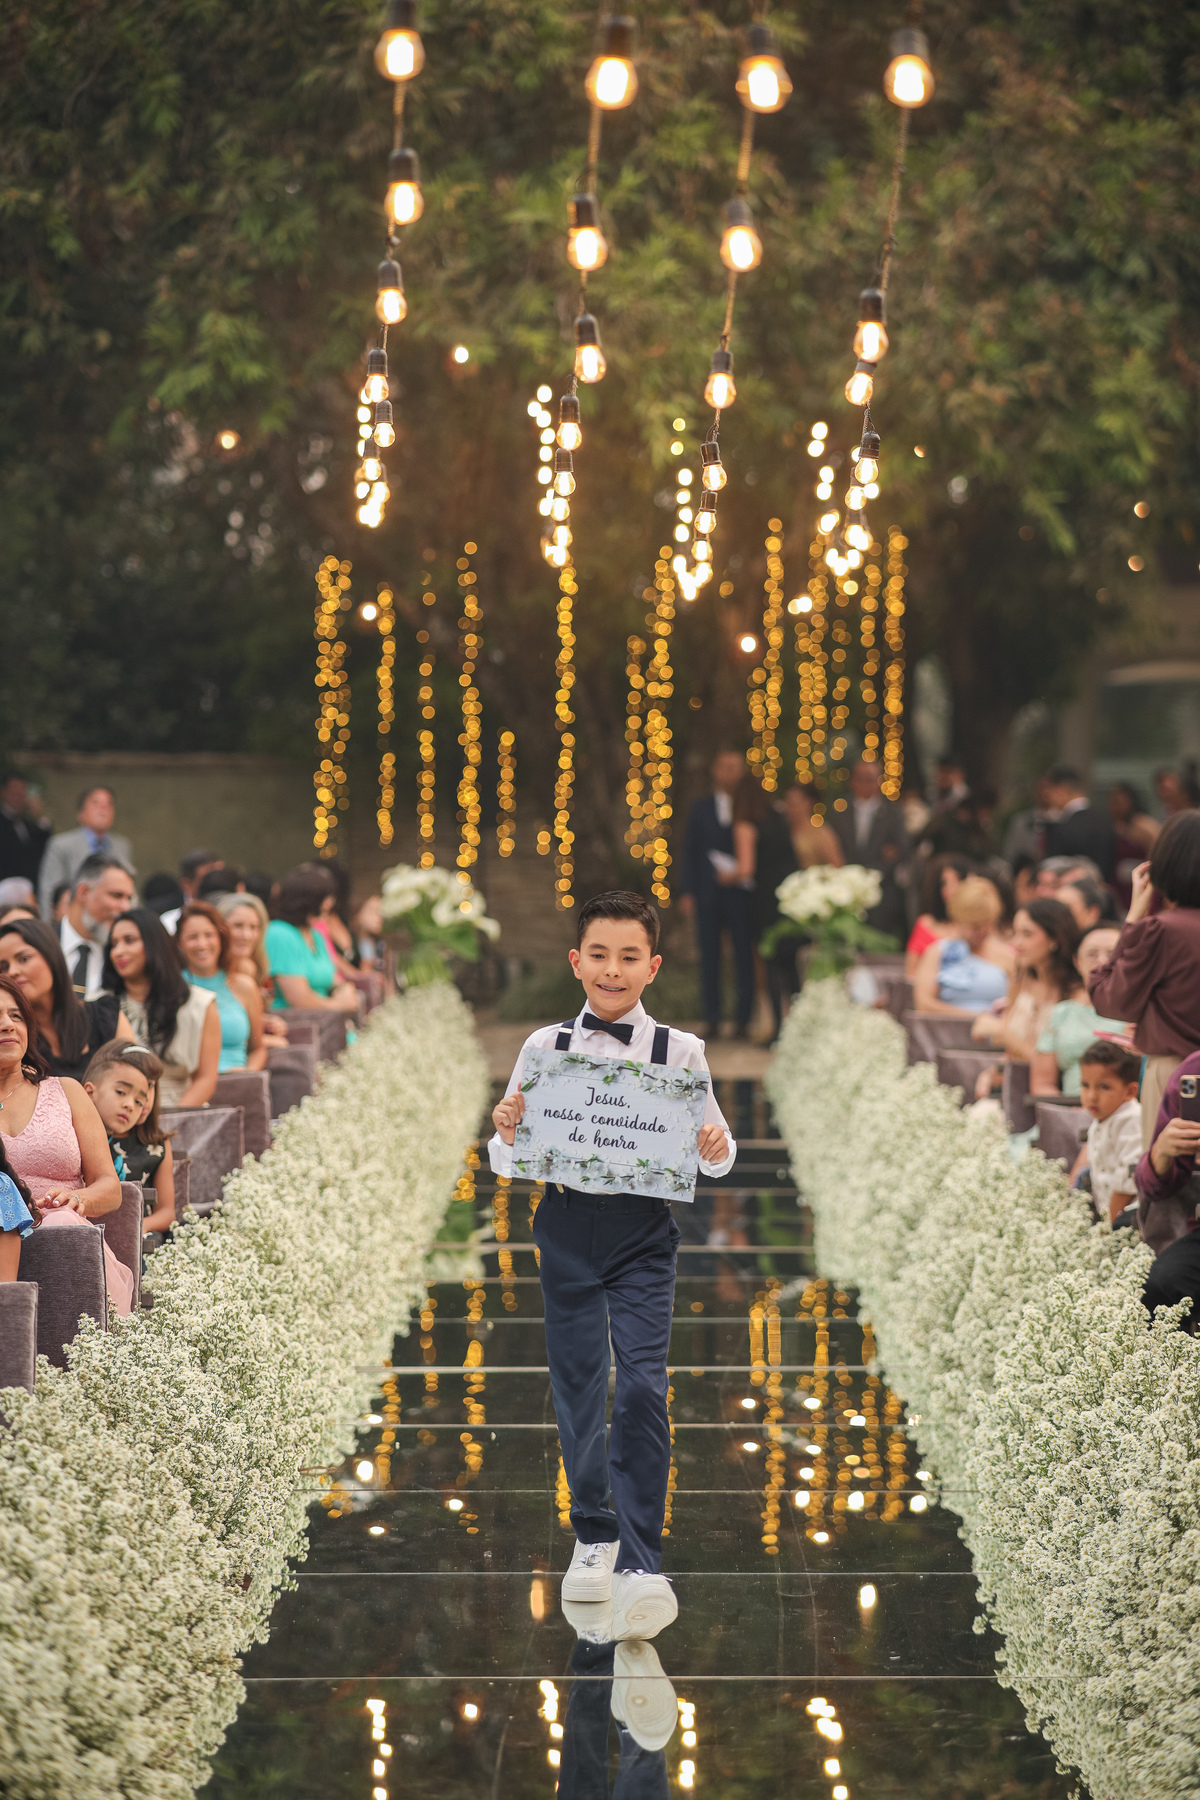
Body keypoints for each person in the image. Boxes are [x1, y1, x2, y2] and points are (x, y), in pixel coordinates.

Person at [489, 891, 734, 1633]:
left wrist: (716, 1147)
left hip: (641, 1233)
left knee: (644, 1386)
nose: (613, 969)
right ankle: (593, 1533)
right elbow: (507, 1157)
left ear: (652, 966)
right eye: (599, 954)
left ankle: (641, 1560)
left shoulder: (681, 1053)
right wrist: (505, 1132)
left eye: (629, 957)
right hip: (565, 1225)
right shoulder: (545, 1047)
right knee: (577, 1386)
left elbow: (714, 1153)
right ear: (576, 961)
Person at [0, 974, 132, 1315]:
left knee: (60, 1224)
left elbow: (110, 1187)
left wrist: (78, 1199)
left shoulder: (66, 1091)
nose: (7, 1025)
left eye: (16, 1016)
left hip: (66, 1237)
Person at [1089, 811, 1200, 1144]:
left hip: (1177, 1075)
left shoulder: (1164, 931)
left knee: (1167, 1171)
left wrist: (1134, 919)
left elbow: (1110, 998)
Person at [103, 907, 220, 1107]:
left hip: (181, 1110)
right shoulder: (101, 1004)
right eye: (114, 944)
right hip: (117, 1113)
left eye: (129, 940)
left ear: (154, 943)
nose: (118, 951)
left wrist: (168, 1121)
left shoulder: (199, 1003)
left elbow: (205, 1079)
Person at [678, 751, 755, 1039]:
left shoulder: (750, 807)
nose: (729, 773)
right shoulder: (701, 808)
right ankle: (712, 1018)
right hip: (707, 893)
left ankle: (743, 1020)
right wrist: (687, 891)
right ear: (715, 770)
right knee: (709, 957)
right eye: (724, 767)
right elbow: (690, 851)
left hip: (741, 895)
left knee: (744, 956)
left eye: (734, 767)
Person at [0, 916, 134, 1079]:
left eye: (24, 959)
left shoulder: (106, 1016)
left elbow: (139, 1079)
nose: (12, 972)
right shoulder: (10, 1036)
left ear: (52, 957)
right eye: (3, 967)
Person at [82, 1041, 175, 1243]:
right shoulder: (82, 1135)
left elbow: (167, 1211)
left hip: (139, 1235)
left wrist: (141, 1226)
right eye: (122, 1091)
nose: (132, 1103)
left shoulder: (157, 1145)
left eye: (150, 1086)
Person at [731, 777, 799, 1042]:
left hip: (766, 900)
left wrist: (724, 876)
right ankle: (798, 1027)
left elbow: (746, 869)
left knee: (771, 964)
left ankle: (779, 1030)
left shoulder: (746, 825)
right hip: (791, 897)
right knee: (791, 964)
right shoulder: (780, 818)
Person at [972, 898, 1081, 1063]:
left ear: (1055, 938)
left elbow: (1055, 1065)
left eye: (1027, 934)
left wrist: (1002, 1032)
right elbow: (1008, 1050)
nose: (1017, 943)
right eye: (1015, 933)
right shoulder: (1020, 980)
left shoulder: (1075, 992)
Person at [1031, 926, 1127, 1098]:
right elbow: (1042, 1084)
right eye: (1092, 954)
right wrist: (1067, 1109)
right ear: (1077, 962)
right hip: (1068, 1106)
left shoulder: (1140, 1013)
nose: (1102, 961)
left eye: (1112, 953)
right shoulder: (1061, 1013)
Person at [177, 901, 266, 1071]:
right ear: (180, 943)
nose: (202, 944)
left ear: (221, 938)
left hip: (238, 1078)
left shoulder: (244, 986)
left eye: (209, 935)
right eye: (192, 937)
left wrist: (248, 1074)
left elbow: (258, 1049)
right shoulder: (172, 987)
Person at [829, 759, 910, 938]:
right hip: (847, 892)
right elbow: (836, 848)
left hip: (882, 893)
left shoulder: (893, 813)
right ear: (853, 781)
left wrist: (870, 877)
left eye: (870, 779)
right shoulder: (840, 813)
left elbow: (900, 850)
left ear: (879, 781)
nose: (865, 783)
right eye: (861, 778)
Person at [911, 876, 1012, 1016]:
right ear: (958, 920)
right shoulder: (936, 952)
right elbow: (923, 1005)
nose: (982, 931)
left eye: (987, 924)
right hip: (946, 1028)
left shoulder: (1007, 955)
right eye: (975, 926)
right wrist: (976, 1017)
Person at [264, 868, 361, 1015]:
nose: (331, 903)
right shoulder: (280, 933)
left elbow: (334, 978)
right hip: (298, 1022)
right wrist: (338, 1005)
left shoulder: (315, 935)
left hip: (326, 1019)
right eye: (326, 897)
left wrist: (345, 989)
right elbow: (298, 998)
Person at [1068, 1041, 1143, 1225]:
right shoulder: (1104, 1118)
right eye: (1085, 1085)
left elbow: (1126, 1184)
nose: (1091, 1096)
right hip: (1109, 1212)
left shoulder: (1132, 1120)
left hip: (1131, 1216)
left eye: (1103, 1087)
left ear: (1130, 1091)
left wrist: (1107, 1227)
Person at [38, 785, 133, 917]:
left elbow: (129, 888)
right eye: (95, 802)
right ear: (81, 813)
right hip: (74, 917)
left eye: (109, 804)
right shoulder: (61, 845)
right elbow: (49, 890)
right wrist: (49, 925)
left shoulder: (122, 845)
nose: (103, 808)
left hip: (112, 916)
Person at [55, 851, 137, 998]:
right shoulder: (39, 944)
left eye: (128, 899)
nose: (126, 907)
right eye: (116, 895)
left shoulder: (123, 957)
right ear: (84, 892)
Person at [1041, 766, 1117, 883]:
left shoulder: (1061, 827)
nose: (1047, 798)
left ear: (1062, 790)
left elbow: (1052, 874)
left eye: (1049, 792)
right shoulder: (1106, 820)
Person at [905, 853, 972, 976]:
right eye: (945, 883)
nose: (952, 889)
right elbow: (911, 974)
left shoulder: (977, 926)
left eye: (958, 880)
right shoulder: (926, 925)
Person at [1109, 781, 1159, 912]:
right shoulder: (1111, 826)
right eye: (1114, 802)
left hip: (1140, 879)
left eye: (1121, 802)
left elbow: (1158, 853)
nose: (1117, 806)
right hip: (1118, 885)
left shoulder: (1144, 825)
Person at [0, 772, 52, 888]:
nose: (20, 797)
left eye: (23, 793)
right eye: (15, 792)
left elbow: (43, 848)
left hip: (29, 886)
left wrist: (40, 816)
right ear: (4, 792)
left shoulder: (26, 823)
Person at [159, 849, 225, 935]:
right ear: (186, 884)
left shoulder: (232, 915)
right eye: (207, 879)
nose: (216, 883)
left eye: (222, 876)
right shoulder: (169, 921)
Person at [782, 783, 844, 870]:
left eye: (794, 804)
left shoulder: (821, 833)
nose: (789, 808)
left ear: (808, 803)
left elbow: (837, 866)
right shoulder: (782, 831)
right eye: (787, 803)